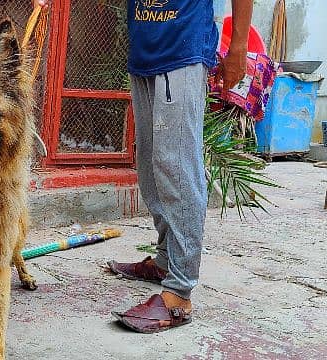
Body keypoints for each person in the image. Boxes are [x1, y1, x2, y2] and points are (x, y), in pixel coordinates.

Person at [32, 0, 252, 333]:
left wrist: (238, 46)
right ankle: (165, 261)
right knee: (151, 165)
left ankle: (179, 294)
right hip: (145, 53)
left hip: (182, 48)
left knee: (178, 168)